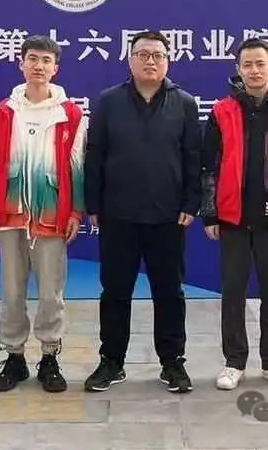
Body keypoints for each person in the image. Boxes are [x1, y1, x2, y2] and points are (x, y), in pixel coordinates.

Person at [82, 30, 202, 394]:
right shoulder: (109, 101)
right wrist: (93, 205)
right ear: (130, 59)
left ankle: (172, 362)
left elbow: (193, 158)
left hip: (168, 216)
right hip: (118, 214)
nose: (151, 61)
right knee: (115, 292)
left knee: (170, 292)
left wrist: (191, 203)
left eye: (158, 55)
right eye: (143, 54)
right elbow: (95, 155)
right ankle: (111, 361)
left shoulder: (184, 103)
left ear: (168, 61)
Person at [199, 38, 268, 392]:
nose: (254, 70)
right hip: (232, 217)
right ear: (238, 69)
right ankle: (234, 362)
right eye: (247, 64)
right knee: (232, 292)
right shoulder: (222, 111)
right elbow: (209, 166)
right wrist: (210, 213)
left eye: (260, 63)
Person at [0, 35, 86, 394]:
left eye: (46, 60)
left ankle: (49, 356)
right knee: (12, 291)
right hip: (11, 214)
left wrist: (76, 210)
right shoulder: (4, 112)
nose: (38, 66)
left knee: (50, 293)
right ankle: (14, 356)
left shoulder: (70, 114)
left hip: (51, 215)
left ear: (55, 68)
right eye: (32, 59)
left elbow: (77, 164)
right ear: (21, 64)